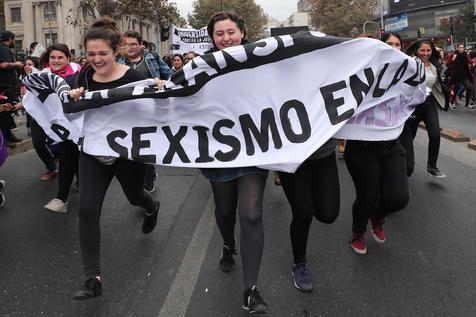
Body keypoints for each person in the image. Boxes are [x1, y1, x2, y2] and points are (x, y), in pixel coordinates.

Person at [69, 17, 161, 300]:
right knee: (87, 210)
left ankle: (151, 205)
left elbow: (157, 111)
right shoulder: (84, 75)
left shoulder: (134, 78)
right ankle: (92, 277)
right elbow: (74, 103)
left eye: (102, 54)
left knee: (135, 196)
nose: (96, 59)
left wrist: (160, 89)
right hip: (93, 152)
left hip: (126, 153)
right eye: (90, 54)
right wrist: (74, 95)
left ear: (116, 51)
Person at [203, 11, 268, 314]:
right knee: (225, 210)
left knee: (252, 213)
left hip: (255, 147)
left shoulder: (264, 61)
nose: (226, 38)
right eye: (219, 34)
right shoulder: (200, 68)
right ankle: (228, 243)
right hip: (219, 150)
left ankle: (251, 289)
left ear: (242, 32)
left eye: (231, 32)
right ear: (212, 38)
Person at [344, 33, 411, 255]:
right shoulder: (350, 72)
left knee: (399, 198)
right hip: (362, 149)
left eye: (397, 45)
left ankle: (378, 215)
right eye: (388, 44)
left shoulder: (405, 72)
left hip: (392, 145)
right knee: (367, 196)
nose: (393, 48)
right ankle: (358, 231)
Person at [278, 138, 340, 288]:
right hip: (291, 154)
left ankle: (307, 191)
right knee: (303, 213)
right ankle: (299, 263)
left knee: (328, 214)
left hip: (323, 151)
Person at [117, 30, 173, 193]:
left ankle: (147, 181)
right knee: (134, 147)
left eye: (134, 44)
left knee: (146, 146)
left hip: (150, 111)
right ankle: (147, 172)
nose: (130, 47)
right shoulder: (118, 62)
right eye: (126, 44)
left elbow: (170, 75)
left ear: (141, 45)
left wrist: (163, 82)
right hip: (127, 112)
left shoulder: (152, 58)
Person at [40, 44, 81, 213]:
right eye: (52, 57)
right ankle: (61, 198)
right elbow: (36, 99)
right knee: (67, 158)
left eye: (60, 57)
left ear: (68, 59)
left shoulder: (79, 76)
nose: (56, 61)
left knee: (78, 158)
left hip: (80, 124)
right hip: (62, 128)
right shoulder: (43, 77)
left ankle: (76, 192)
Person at [400, 39, 449, 179]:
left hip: (429, 104)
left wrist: (446, 90)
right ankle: (401, 167)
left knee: (435, 135)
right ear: (416, 50)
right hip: (412, 107)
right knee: (409, 139)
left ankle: (431, 166)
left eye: (428, 50)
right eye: (422, 50)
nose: (426, 53)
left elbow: (437, 82)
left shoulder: (434, 65)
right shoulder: (410, 63)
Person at [0, 30, 23, 148]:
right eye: (14, 39)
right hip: (5, 87)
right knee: (5, 112)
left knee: (6, 112)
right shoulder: (4, 49)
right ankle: (6, 138)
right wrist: (17, 64)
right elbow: (4, 65)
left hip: (5, 86)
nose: (14, 41)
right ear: (10, 39)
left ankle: (7, 136)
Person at [446, 43, 474, 110]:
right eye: (460, 47)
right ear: (457, 48)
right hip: (456, 75)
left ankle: (467, 104)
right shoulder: (454, 55)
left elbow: (470, 61)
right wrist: (453, 59)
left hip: (465, 75)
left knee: (469, 88)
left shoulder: (465, 55)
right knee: (456, 90)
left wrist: (472, 63)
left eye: (462, 47)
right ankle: (452, 102)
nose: (461, 49)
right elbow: (447, 64)